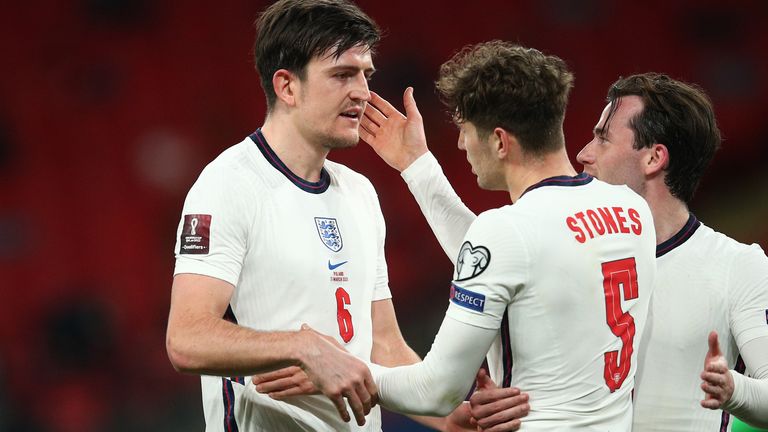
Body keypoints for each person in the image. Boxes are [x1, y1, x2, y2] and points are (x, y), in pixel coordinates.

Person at [363, 67, 768, 431]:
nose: (582, 153)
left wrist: (735, 390)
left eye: (602, 139)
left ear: (653, 158)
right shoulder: (590, 241)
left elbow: (499, 249)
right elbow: (498, 255)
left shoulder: (737, 267)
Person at [165, 1, 475, 430]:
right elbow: (186, 338)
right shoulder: (228, 185)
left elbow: (383, 346)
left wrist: (454, 416)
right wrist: (303, 347)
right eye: (342, 74)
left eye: (366, 75)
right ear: (287, 87)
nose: (363, 93)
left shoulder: (360, 192)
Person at [357, 41, 657, 430]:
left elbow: (436, 391)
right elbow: (519, 257)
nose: (462, 144)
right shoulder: (631, 209)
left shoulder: (508, 230)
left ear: (500, 141)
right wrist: (418, 167)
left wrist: (338, 368)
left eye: (466, 131)